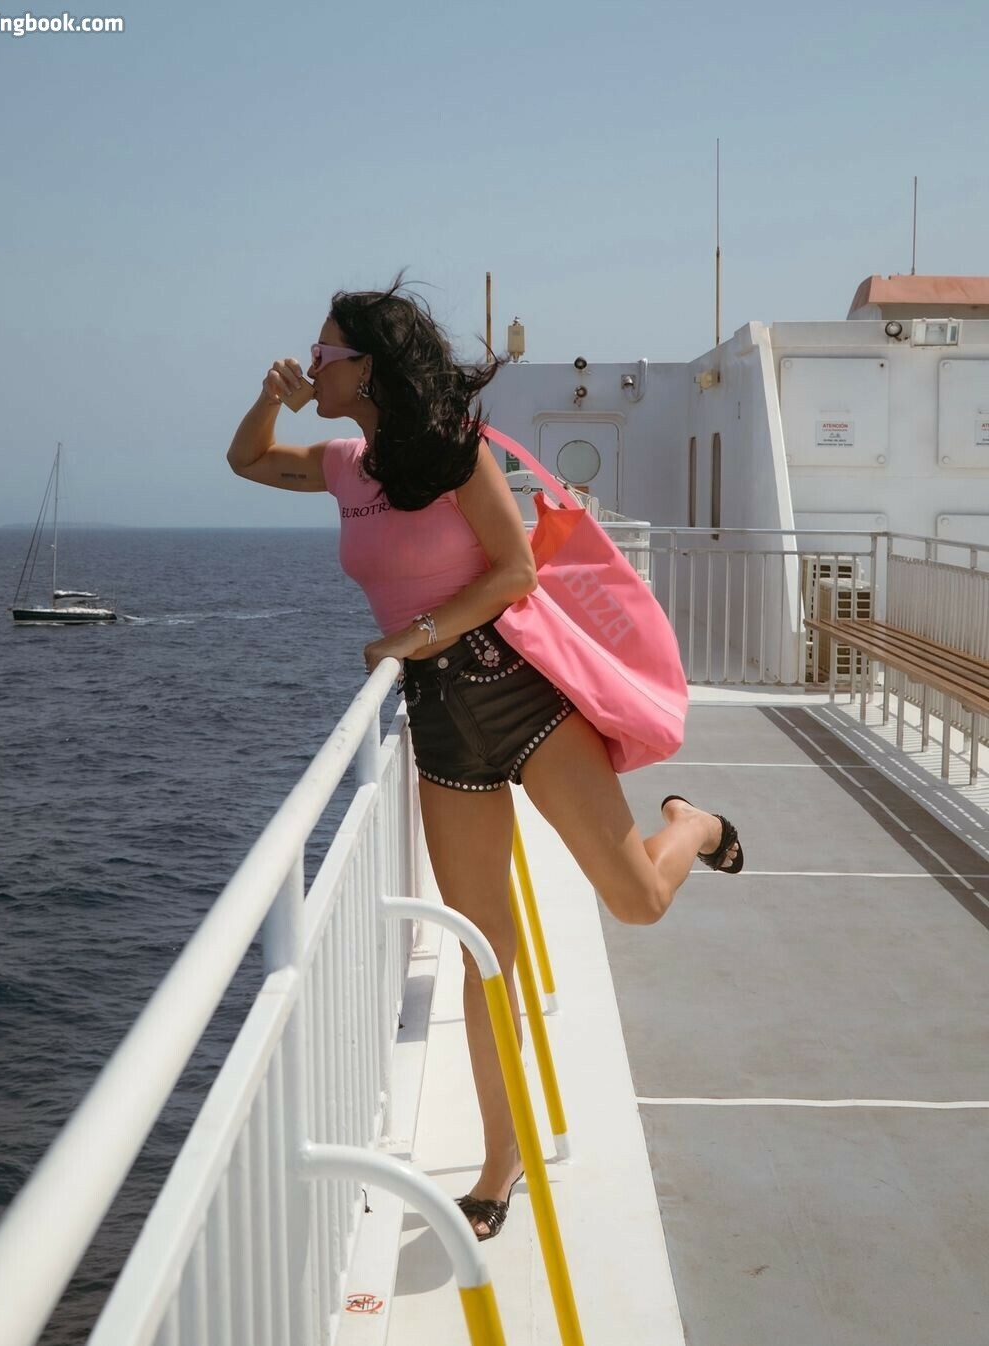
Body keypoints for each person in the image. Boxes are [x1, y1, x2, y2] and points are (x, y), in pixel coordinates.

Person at [227, 272, 743, 1241]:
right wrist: (270, 395)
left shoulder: (456, 452)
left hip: (520, 692)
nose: (314, 364)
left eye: (326, 352)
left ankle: (691, 824)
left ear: (369, 366)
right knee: (483, 951)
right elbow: (247, 458)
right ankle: (499, 1163)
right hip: (441, 724)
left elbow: (514, 571)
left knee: (636, 899)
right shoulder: (342, 465)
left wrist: (412, 635)